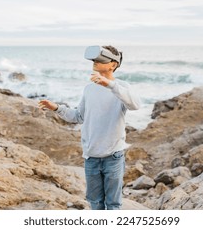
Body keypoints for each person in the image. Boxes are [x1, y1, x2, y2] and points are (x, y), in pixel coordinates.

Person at [38, 45, 141, 210]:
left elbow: (135, 104)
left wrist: (110, 85)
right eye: (94, 59)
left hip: (113, 157)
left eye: (100, 60)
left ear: (113, 65)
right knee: (95, 204)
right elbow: (78, 116)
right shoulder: (89, 89)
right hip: (91, 157)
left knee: (113, 205)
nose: (95, 62)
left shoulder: (121, 88)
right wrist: (56, 107)